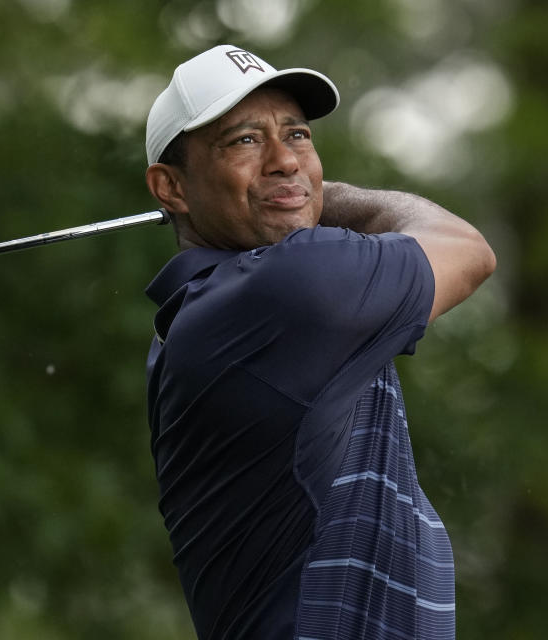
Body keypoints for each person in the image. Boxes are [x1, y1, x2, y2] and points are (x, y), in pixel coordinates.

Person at [142, 45, 496, 639]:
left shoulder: (210, 311)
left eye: (298, 135)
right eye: (245, 141)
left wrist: (299, 195)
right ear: (171, 187)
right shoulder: (281, 290)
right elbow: (469, 251)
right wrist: (324, 196)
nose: (285, 160)